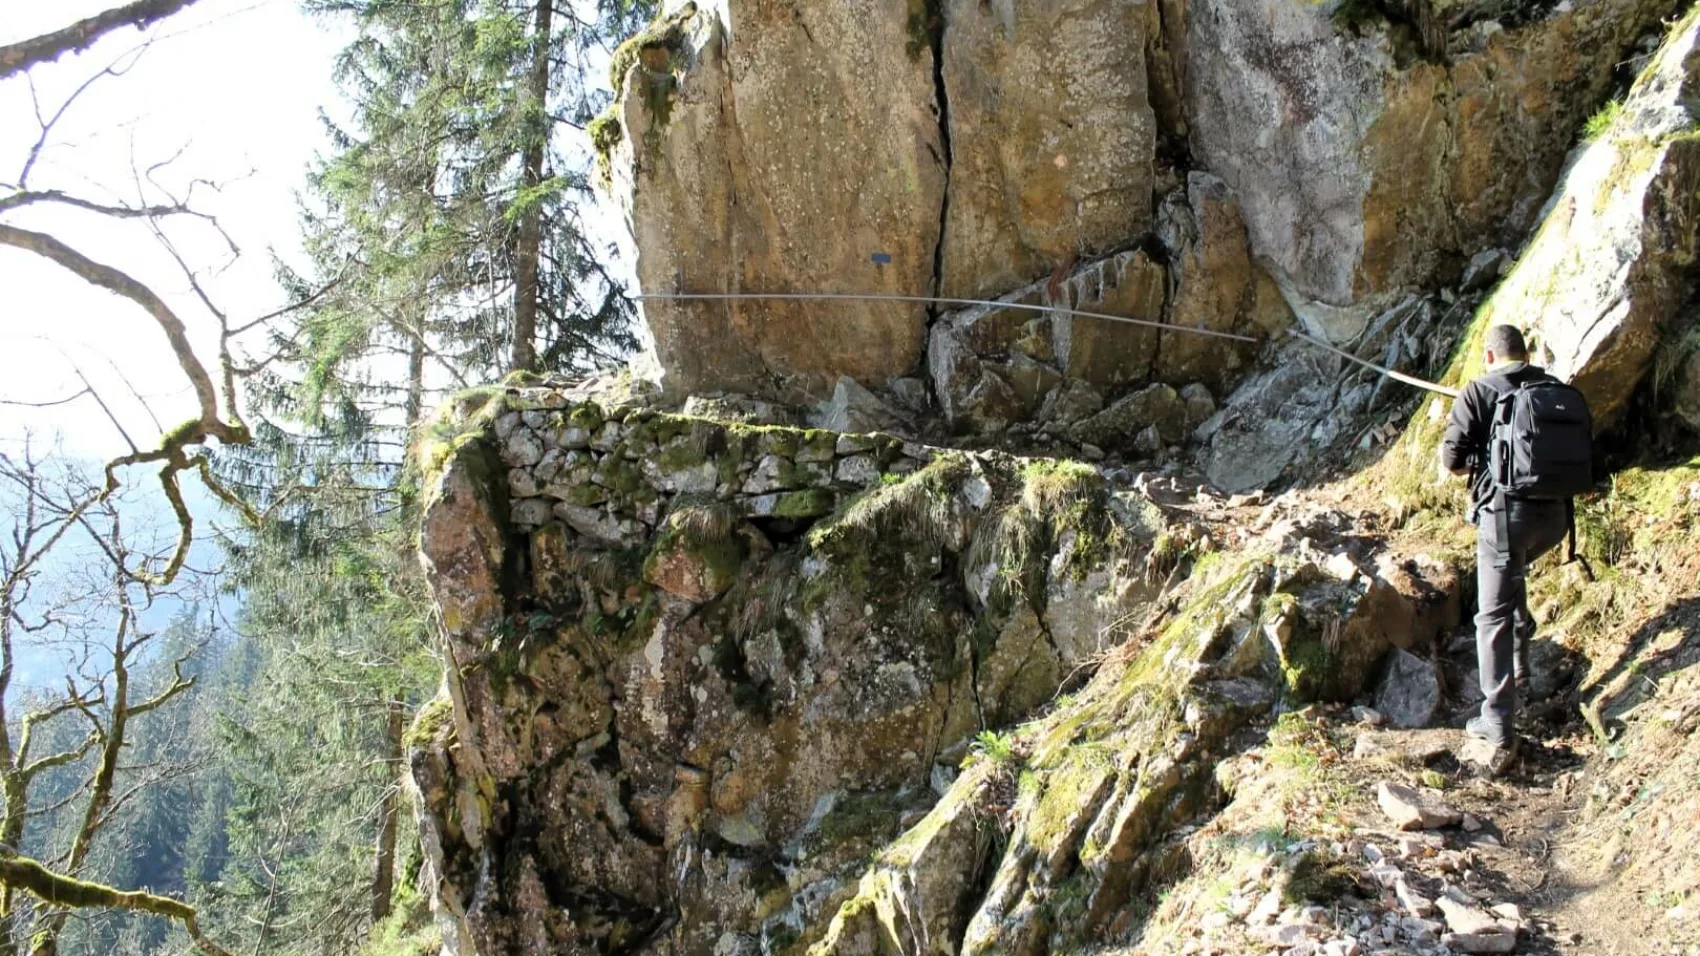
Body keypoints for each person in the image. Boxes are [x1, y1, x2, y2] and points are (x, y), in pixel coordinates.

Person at [1440, 324, 1590, 770]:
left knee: (1492, 615)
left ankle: (1498, 721)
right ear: (1524, 353)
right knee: (1512, 581)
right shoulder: (1553, 387)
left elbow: (1451, 461)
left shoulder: (1478, 391)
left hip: (1507, 519)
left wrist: (1482, 460)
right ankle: (1521, 672)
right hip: (1557, 519)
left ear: (1489, 356)